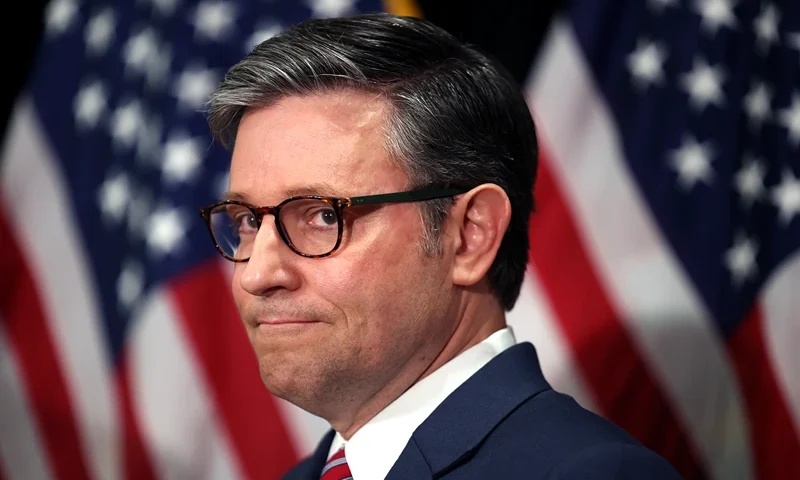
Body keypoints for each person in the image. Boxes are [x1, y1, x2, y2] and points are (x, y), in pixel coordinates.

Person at [199, 12, 682, 480]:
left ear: (470, 235)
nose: (255, 275)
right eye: (246, 221)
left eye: (324, 216)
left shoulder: (589, 473)